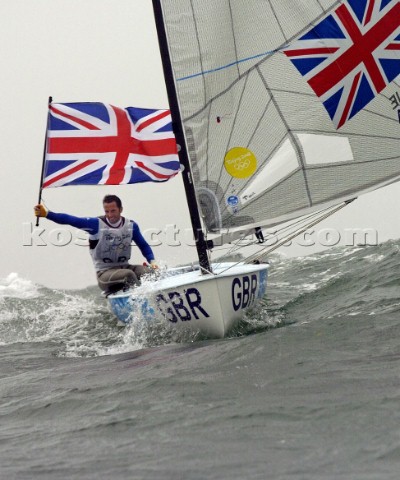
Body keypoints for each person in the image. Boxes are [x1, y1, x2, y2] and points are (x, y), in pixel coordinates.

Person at [34, 194, 158, 294]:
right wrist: (47, 214)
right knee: (129, 275)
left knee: (151, 273)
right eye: (107, 211)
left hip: (125, 266)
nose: (110, 215)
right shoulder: (96, 225)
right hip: (104, 274)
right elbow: (71, 220)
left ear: (121, 209)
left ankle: (157, 297)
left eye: (113, 211)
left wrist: (152, 261)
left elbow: (144, 245)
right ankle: (140, 300)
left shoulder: (131, 226)